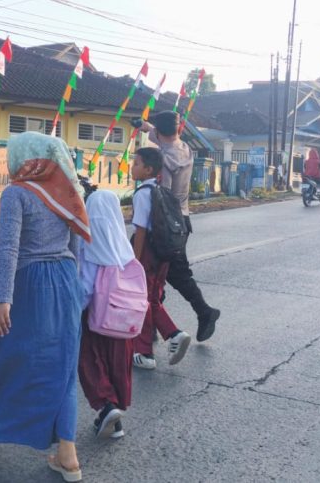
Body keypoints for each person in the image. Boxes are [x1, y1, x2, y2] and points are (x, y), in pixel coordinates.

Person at [0, 132, 91, 483]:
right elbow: (76, 244)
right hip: (63, 280)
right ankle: (68, 454)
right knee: (62, 367)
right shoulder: (65, 191)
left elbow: (8, 250)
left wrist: (3, 298)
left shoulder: (17, 193)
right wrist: (73, 290)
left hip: (29, 283)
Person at [131, 111, 221, 343]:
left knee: (155, 272)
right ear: (179, 129)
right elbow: (159, 134)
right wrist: (144, 126)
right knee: (168, 273)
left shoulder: (160, 159)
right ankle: (153, 322)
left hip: (162, 222)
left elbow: (159, 197)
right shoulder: (185, 148)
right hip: (182, 220)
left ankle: (200, 313)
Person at [77, 189, 136, 441]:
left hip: (95, 317)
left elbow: (85, 287)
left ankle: (106, 405)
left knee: (89, 359)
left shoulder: (89, 243)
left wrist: (74, 310)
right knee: (117, 365)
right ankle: (115, 418)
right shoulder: (123, 245)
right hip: (122, 320)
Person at [130, 146, 190, 370]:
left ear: (148, 169)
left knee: (141, 301)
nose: (132, 167)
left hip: (147, 254)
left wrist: (134, 261)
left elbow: (141, 230)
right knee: (152, 299)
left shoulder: (142, 194)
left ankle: (145, 353)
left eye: (136, 164)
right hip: (165, 252)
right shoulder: (161, 191)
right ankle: (173, 334)